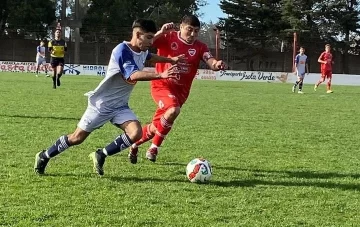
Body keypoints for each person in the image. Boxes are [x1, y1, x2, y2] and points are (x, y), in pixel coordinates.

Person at [34, 19, 184, 176]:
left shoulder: (141, 49)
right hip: (101, 105)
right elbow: (133, 74)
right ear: (138, 34)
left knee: (136, 133)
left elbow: (149, 57)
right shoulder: (122, 50)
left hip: (120, 106)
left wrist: (170, 59)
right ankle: (44, 156)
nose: (152, 42)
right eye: (149, 37)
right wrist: (160, 74)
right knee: (77, 138)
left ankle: (101, 154)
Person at [128, 15, 225, 164]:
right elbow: (147, 42)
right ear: (181, 27)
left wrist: (216, 64)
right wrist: (161, 31)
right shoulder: (168, 37)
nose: (193, 34)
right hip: (162, 85)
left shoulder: (200, 47)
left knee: (156, 127)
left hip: (181, 93)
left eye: (196, 31)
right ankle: (154, 148)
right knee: (173, 110)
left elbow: (210, 60)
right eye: (190, 30)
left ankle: (134, 144)